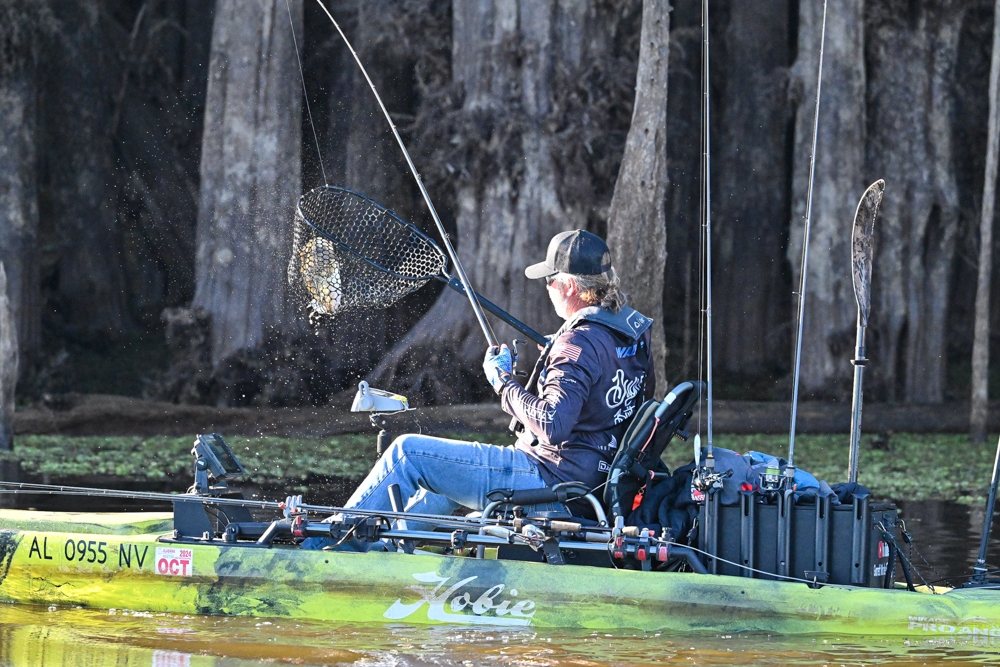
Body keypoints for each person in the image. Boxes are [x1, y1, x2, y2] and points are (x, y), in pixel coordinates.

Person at [305, 229, 655, 542]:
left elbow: (553, 423)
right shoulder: (630, 334)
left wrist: (503, 382)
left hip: (550, 481)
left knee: (406, 453)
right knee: (442, 481)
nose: (547, 287)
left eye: (550, 279)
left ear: (568, 286)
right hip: (588, 483)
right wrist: (560, 356)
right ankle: (386, 549)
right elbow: (623, 394)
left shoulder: (577, 345)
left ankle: (321, 545)